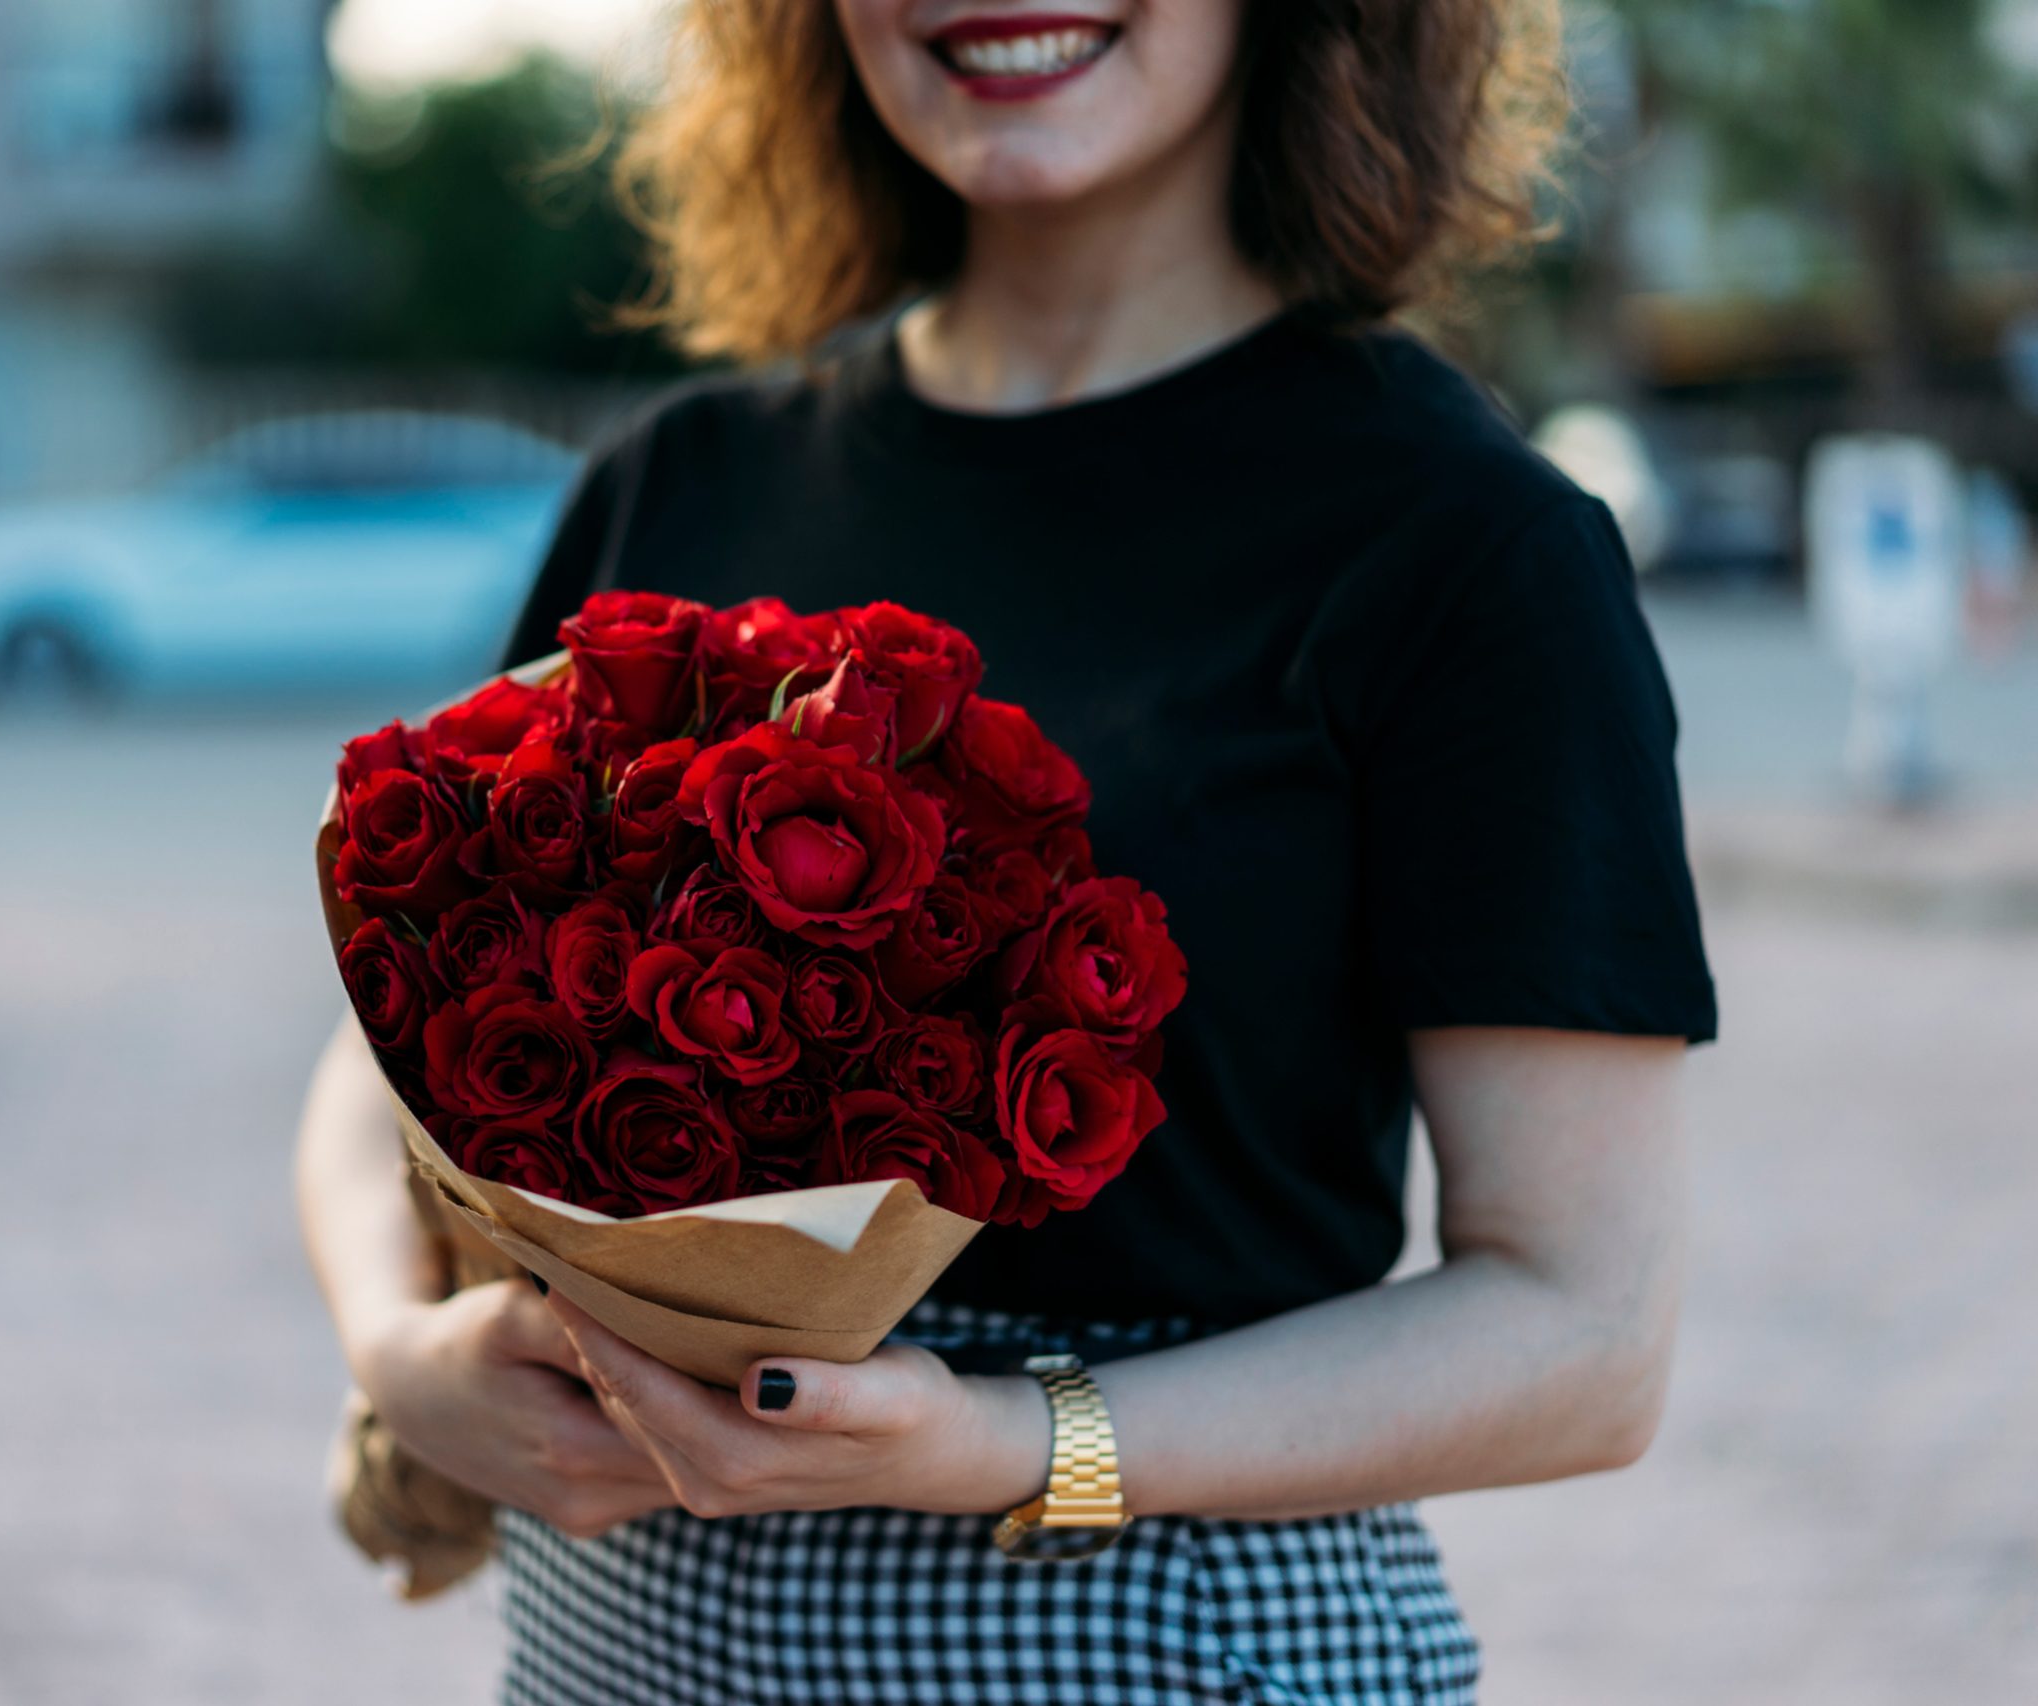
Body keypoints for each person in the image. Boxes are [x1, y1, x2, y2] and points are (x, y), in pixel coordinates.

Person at [297, 1, 1719, 1700]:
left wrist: (1002, 1439)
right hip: (629, 1648)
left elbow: (1585, 1331)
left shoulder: (1469, 547)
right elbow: (381, 1041)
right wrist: (402, 1348)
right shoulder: (679, 482)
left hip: (1164, 1644)